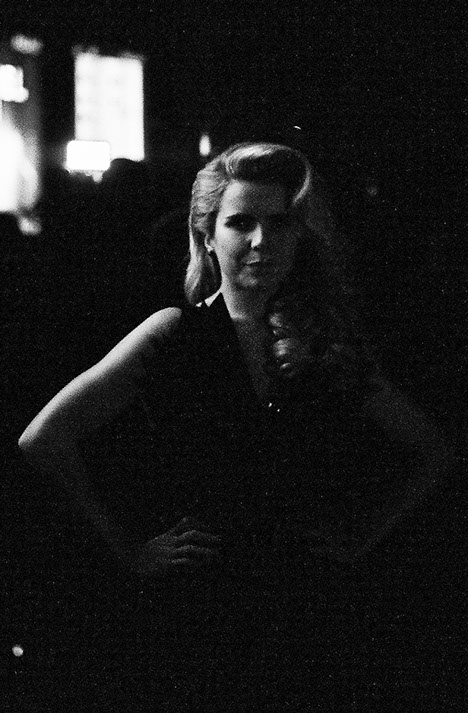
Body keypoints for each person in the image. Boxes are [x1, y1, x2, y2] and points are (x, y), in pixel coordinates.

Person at [18, 142, 454, 711]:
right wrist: (128, 549)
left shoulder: (324, 343)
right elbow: (43, 438)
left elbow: (434, 450)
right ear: (207, 235)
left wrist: (364, 536)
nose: (261, 241)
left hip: (307, 609)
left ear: (300, 235)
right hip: (199, 610)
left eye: (280, 223)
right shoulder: (173, 332)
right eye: (240, 222)